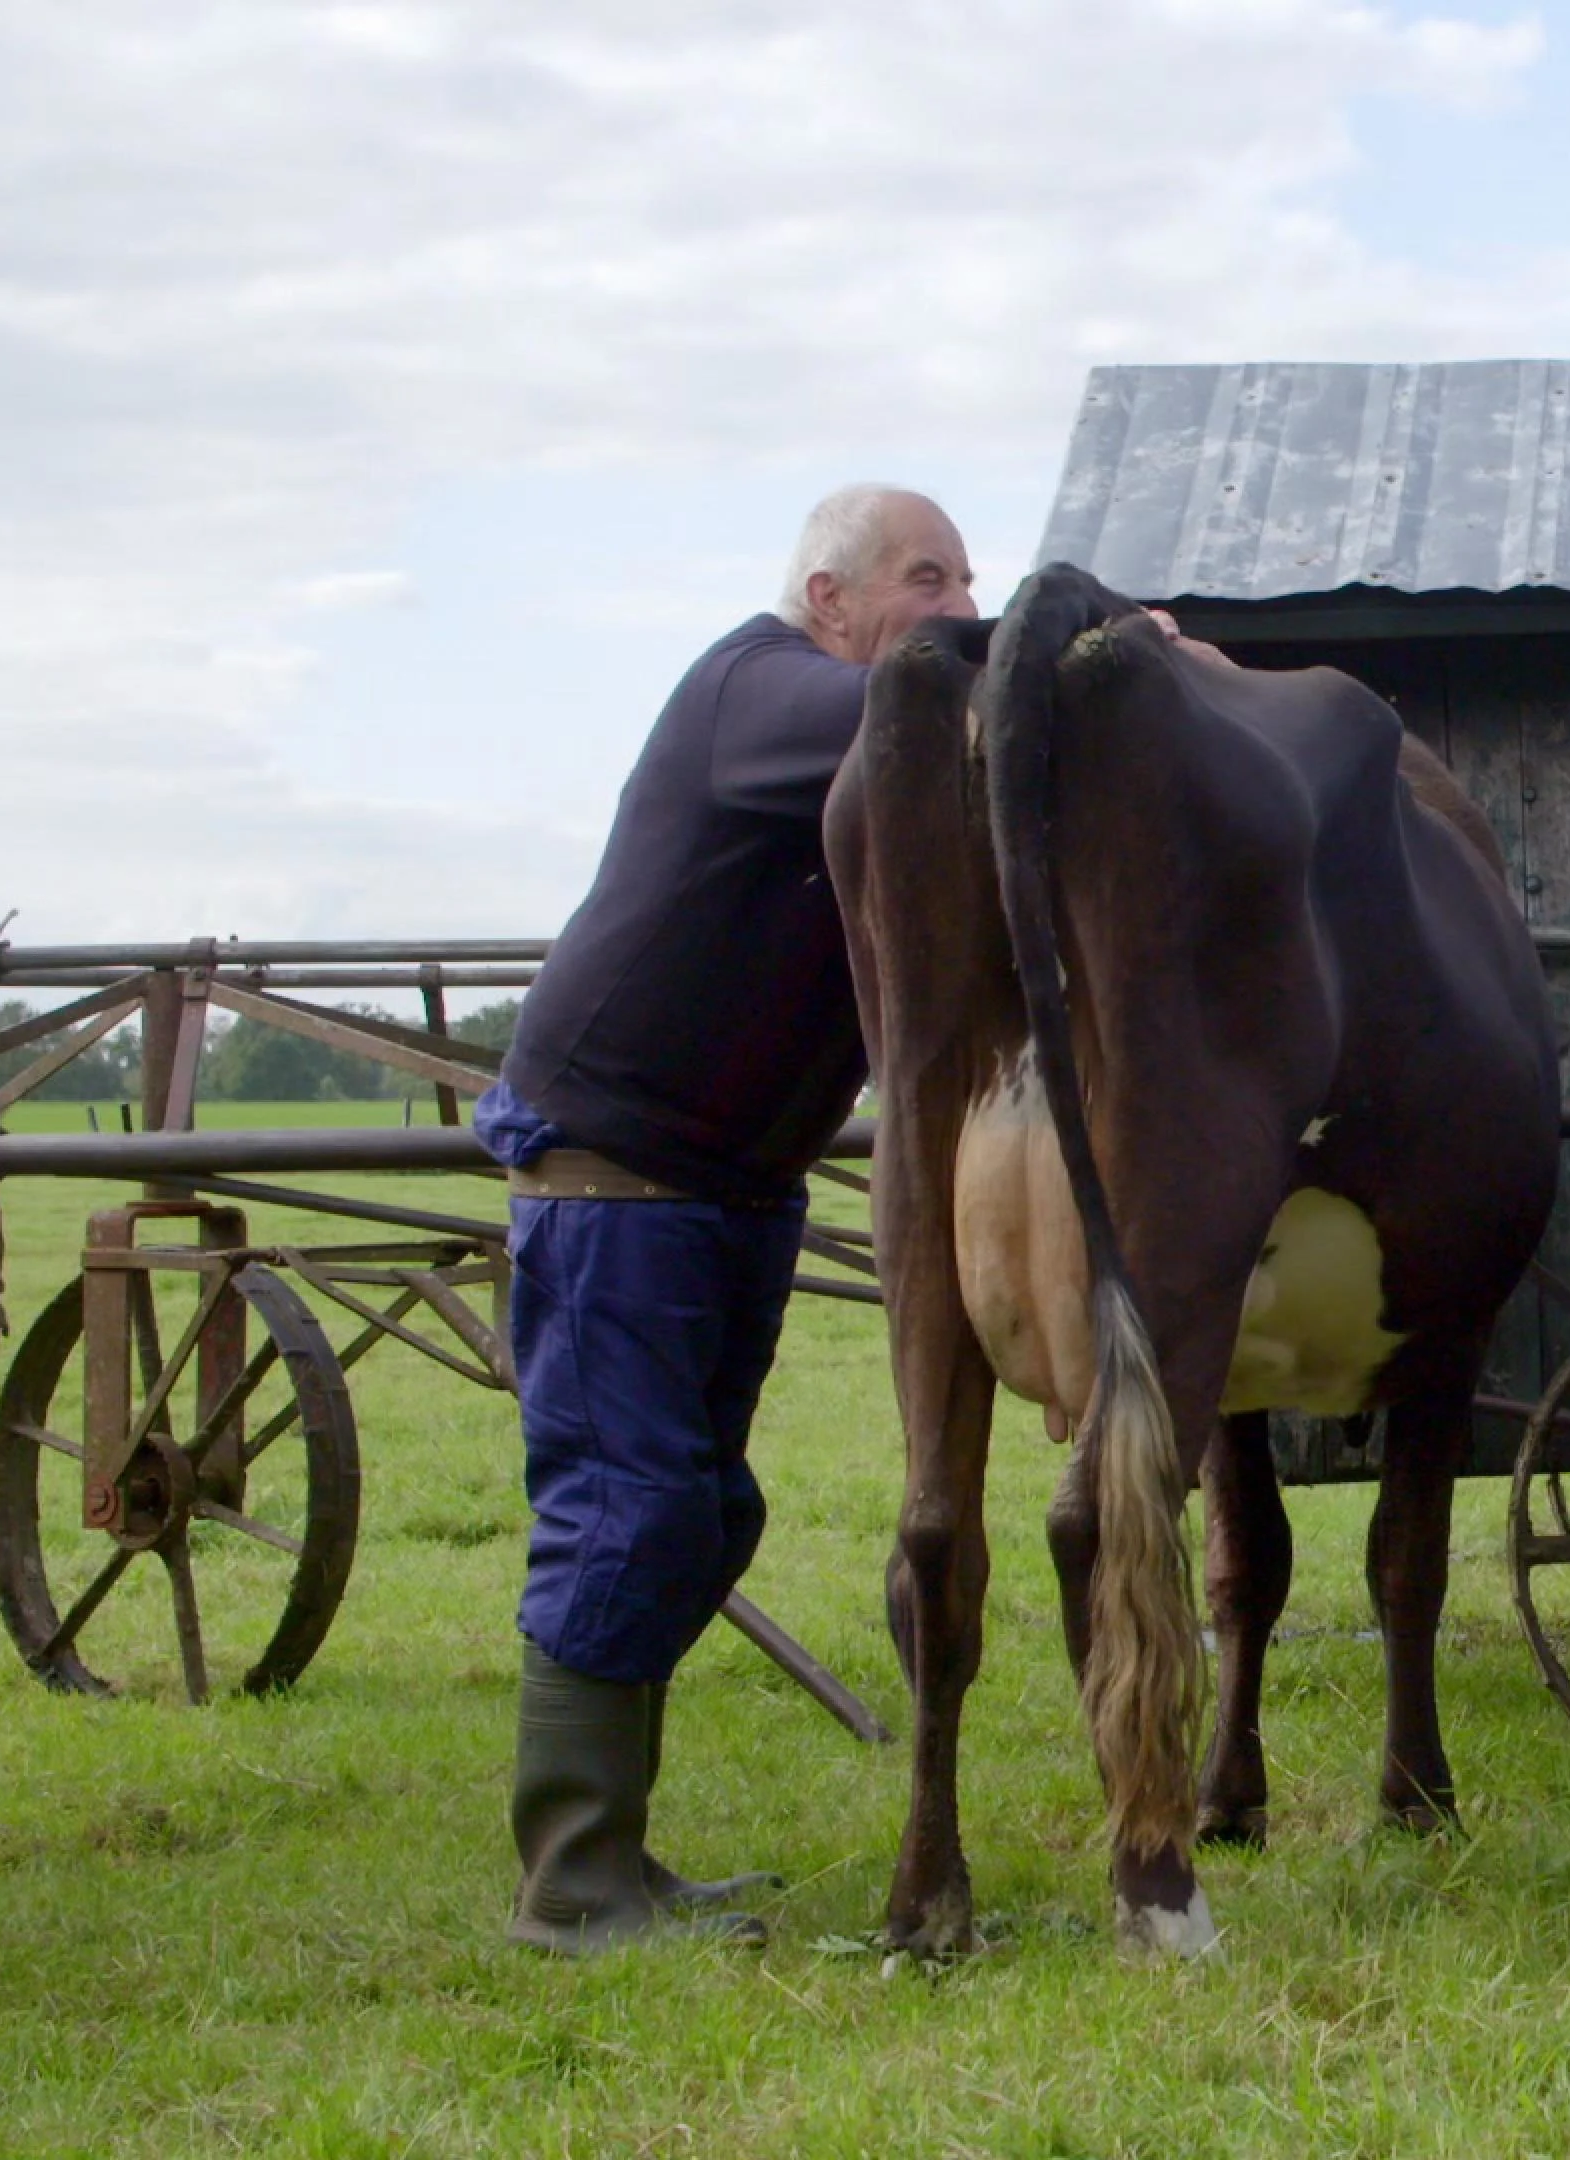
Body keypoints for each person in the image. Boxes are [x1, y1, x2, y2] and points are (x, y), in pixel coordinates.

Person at [477, 484, 977, 1951]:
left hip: (719, 1187)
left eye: (967, 581)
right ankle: (572, 1884)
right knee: (632, 1510)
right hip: (619, 1174)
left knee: (704, 1513)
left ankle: (611, 1862)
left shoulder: (859, 729)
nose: (951, 606)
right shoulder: (758, 693)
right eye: (924, 576)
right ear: (829, 600)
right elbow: (942, 715)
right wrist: (1094, 652)